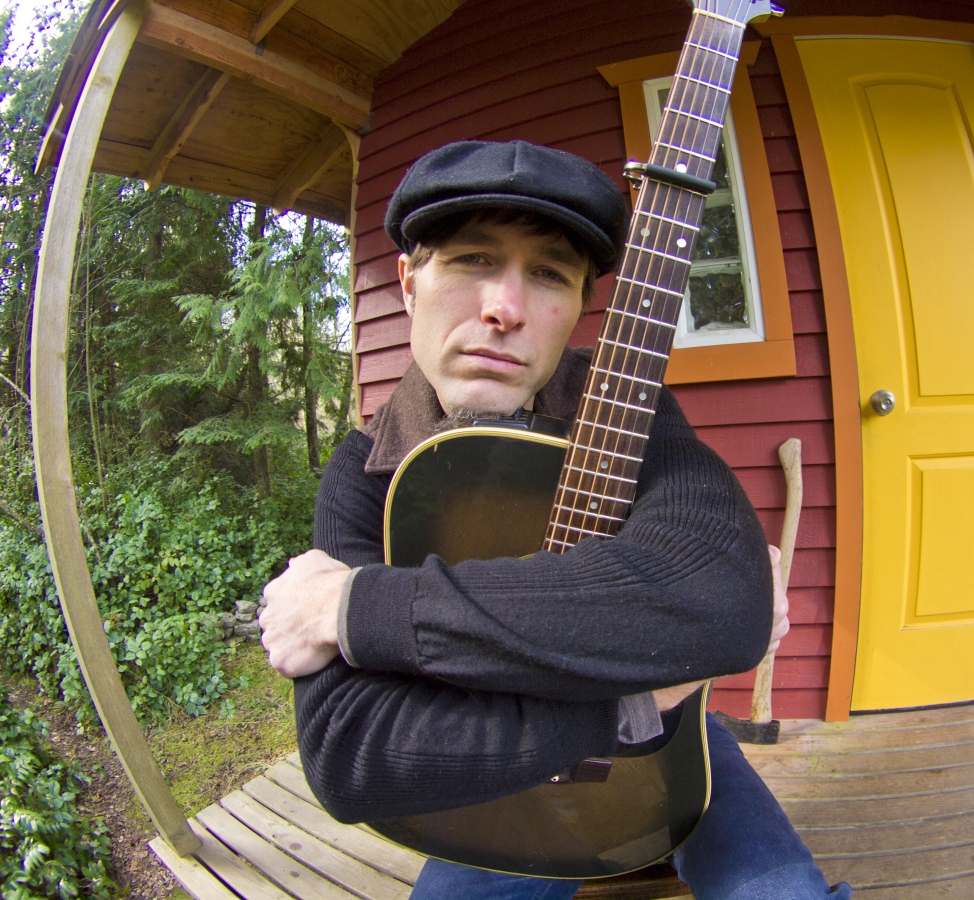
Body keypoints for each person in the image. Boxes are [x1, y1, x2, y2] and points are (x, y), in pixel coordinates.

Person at [259, 139, 851, 900]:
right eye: (472, 260)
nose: (504, 309)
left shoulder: (634, 413)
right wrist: (637, 694)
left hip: (670, 747)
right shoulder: (366, 470)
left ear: (577, 307)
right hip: (499, 778)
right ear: (408, 283)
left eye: (549, 275)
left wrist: (355, 607)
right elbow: (353, 754)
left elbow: (727, 606)